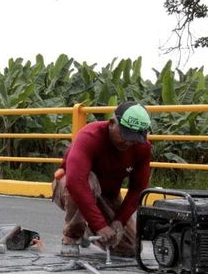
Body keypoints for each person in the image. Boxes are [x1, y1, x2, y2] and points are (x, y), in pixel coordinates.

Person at [52, 101, 152, 257]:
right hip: (71, 186)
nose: (128, 143)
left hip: (108, 195)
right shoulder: (89, 137)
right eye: (125, 136)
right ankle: (71, 236)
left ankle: (87, 231)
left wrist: (120, 220)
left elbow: (138, 189)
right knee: (88, 181)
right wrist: (100, 225)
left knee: (130, 248)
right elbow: (76, 183)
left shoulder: (142, 147)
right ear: (112, 123)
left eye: (133, 139)